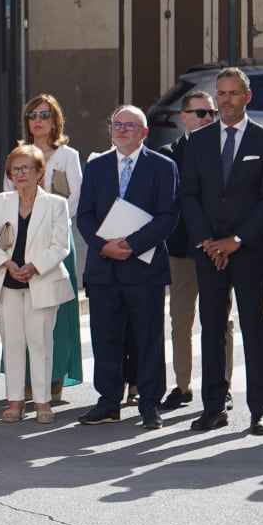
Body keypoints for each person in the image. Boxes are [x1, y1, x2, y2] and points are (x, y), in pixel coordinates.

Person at [178, 67, 263, 435]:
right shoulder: (199, 140)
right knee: (211, 328)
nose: (225, 100)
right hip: (209, 252)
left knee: (254, 327)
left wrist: (237, 240)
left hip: (249, 250)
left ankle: (260, 409)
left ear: (247, 96)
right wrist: (208, 241)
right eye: (221, 93)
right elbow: (189, 194)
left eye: (233, 93)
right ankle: (213, 406)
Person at [75, 106, 178, 430]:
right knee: (105, 338)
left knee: (148, 339)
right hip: (103, 266)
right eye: (116, 124)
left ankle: (149, 404)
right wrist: (103, 245)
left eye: (129, 125)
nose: (121, 130)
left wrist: (132, 244)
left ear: (144, 132)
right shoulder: (97, 166)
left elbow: (168, 216)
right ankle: (108, 402)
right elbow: (85, 214)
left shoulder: (163, 166)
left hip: (143, 268)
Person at [0, 145, 73, 424]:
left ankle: (43, 402)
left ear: (39, 172)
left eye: (26, 168)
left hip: (41, 280)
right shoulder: (1, 201)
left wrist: (35, 266)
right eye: (15, 169)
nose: (20, 174)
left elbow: (61, 246)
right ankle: (15, 401)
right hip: (8, 281)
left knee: (40, 342)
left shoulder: (56, 204)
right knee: (12, 343)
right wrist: (7, 264)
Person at [156, 90, 232, 410]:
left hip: (217, 248)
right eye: (200, 113)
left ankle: (222, 387)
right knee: (180, 320)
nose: (207, 118)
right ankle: (183, 386)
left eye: (211, 113)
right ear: (183, 117)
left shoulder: (226, 152)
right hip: (181, 248)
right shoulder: (167, 155)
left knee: (220, 321)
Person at [21, 93, 84, 400]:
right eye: (33, 115)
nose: (38, 121)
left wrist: (49, 221)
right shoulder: (19, 154)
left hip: (58, 239)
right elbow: (9, 195)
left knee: (57, 310)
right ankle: (28, 378)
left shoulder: (67, 156)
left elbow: (76, 197)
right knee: (25, 310)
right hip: (25, 239)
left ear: (55, 120)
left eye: (44, 115)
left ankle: (56, 375)